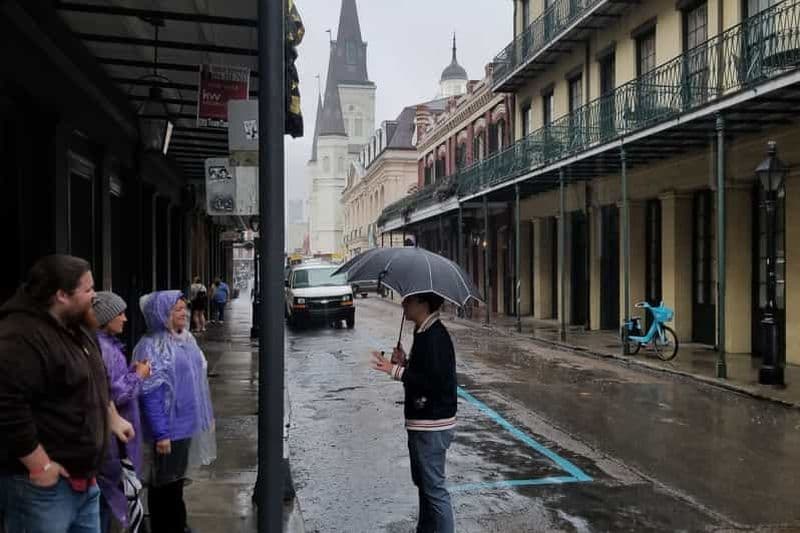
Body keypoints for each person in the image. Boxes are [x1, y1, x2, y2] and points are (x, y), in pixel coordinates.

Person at [0, 255, 134, 533]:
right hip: (43, 490)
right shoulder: (20, 336)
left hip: (85, 481)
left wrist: (111, 418)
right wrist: (39, 465)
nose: (94, 295)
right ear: (61, 294)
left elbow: (97, 378)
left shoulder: (78, 326)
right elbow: (7, 406)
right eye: (87, 290)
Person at [371, 293, 457, 533]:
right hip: (422, 421)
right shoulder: (423, 333)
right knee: (424, 485)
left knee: (434, 489)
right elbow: (424, 374)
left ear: (423, 304)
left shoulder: (436, 336)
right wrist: (404, 363)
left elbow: (434, 382)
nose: (403, 304)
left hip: (433, 424)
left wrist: (395, 370)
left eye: (408, 300)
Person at [133, 291, 216, 533]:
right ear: (161, 314)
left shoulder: (185, 339)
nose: (184, 313)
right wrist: (161, 433)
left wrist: (206, 415)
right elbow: (150, 393)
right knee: (163, 487)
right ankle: (168, 527)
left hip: (186, 427)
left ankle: (178, 525)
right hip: (168, 432)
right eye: (177, 309)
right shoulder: (151, 346)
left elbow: (199, 382)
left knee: (175, 483)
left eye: (184, 308)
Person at [93, 292, 150, 533]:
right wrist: (139, 375)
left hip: (116, 437)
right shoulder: (105, 349)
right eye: (120, 314)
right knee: (109, 499)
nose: (125, 319)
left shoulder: (106, 346)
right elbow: (116, 394)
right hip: (116, 441)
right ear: (106, 318)